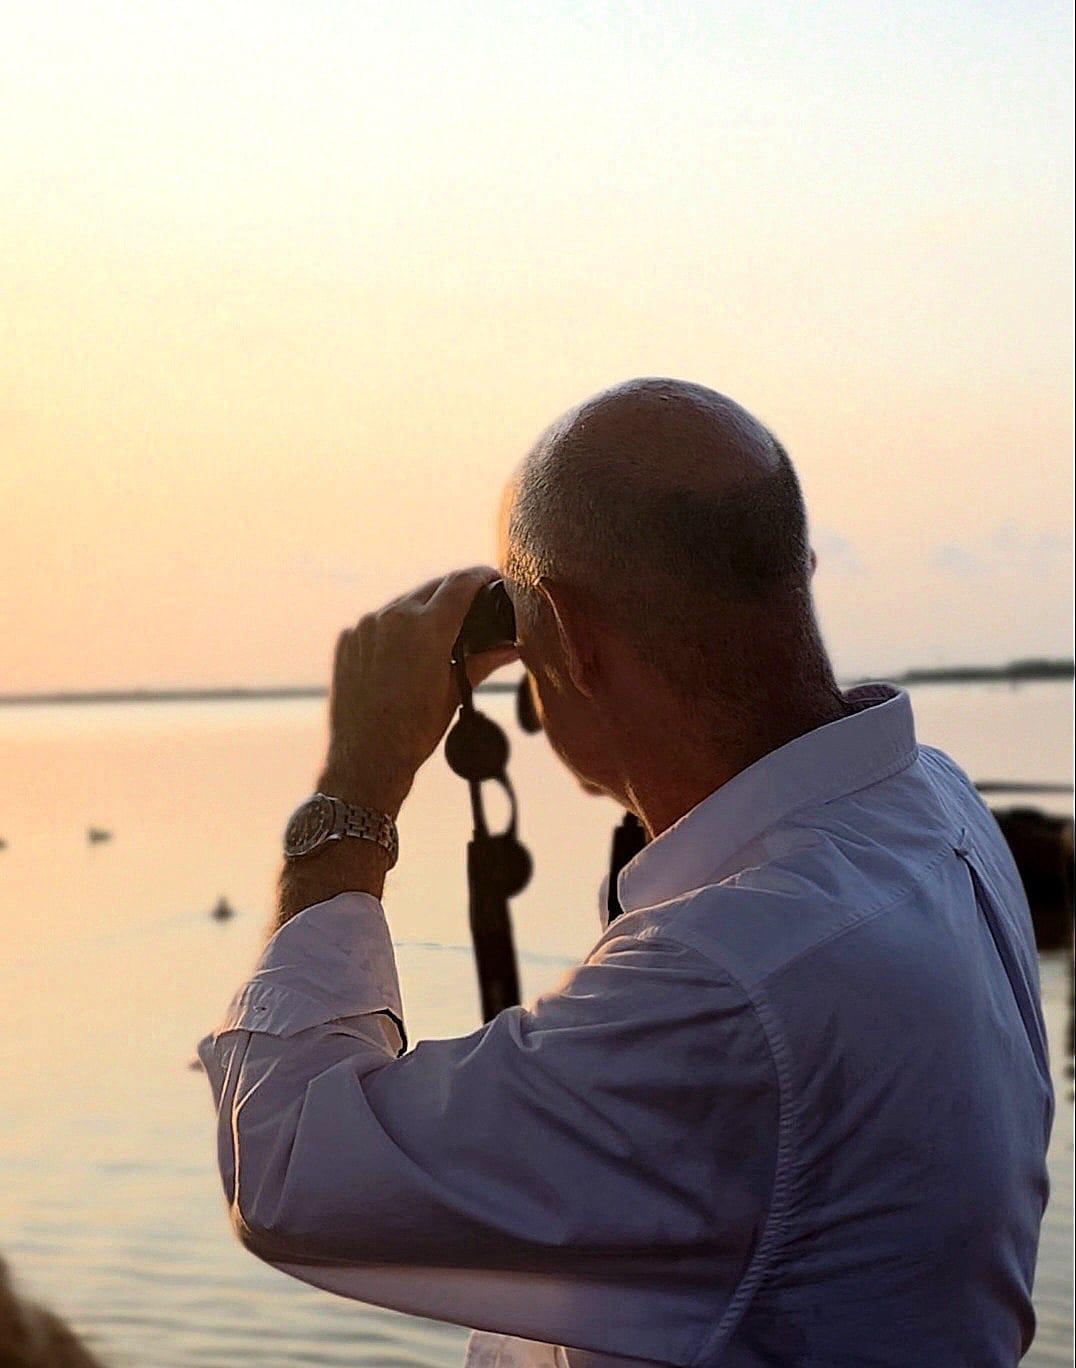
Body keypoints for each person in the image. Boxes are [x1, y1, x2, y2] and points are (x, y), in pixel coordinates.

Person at [198, 379, 1053, 1366]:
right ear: (799, 572)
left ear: (565, 637)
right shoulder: (935, 811)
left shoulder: (734, 979)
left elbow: (285, 1163)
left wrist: (359, 778)